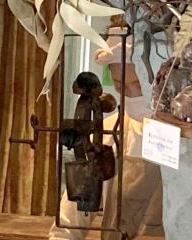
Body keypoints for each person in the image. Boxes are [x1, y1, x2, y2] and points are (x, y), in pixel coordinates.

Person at [49, 30, 164, 239]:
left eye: (138, 86)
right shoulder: (109, 133)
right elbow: (67, 225)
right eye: (120, 86)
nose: (130, 95)